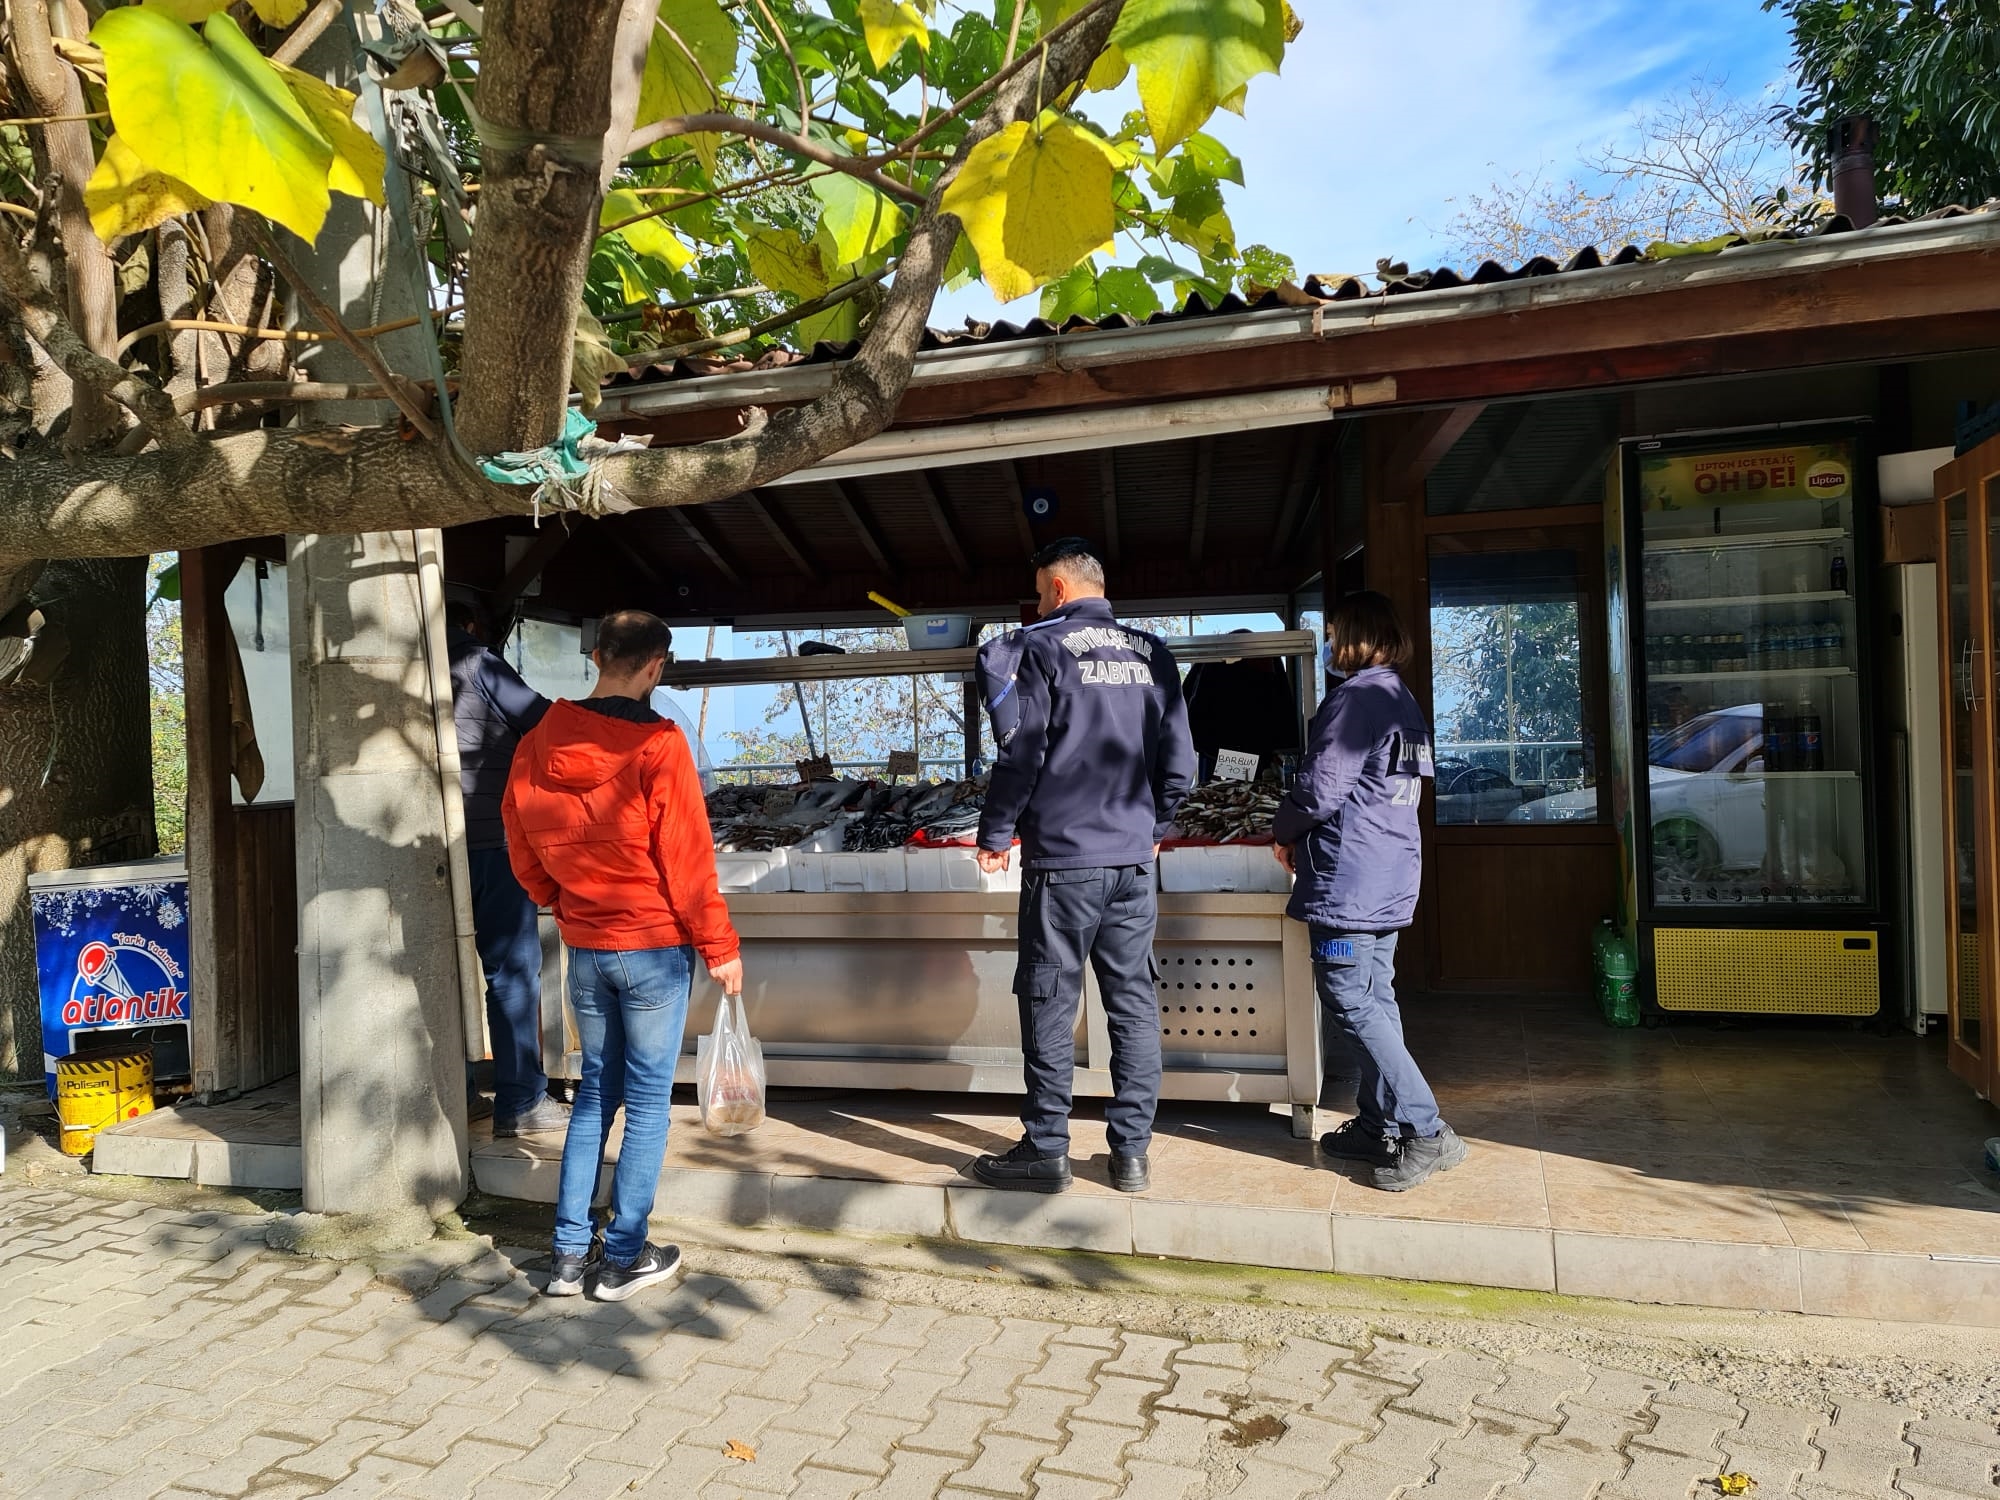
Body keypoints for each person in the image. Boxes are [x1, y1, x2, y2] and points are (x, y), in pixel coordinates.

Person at [502, 610, 743, 1302]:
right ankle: (625, 1256)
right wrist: (720, 946)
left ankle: (568, 1257)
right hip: (654, 951)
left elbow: (521, 844)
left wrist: (562, 898)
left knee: (592, 1101)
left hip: (587, 948)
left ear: (598, 655)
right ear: (654, 666)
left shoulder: (538, 741)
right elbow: (689, 861)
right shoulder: (659, 744)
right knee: (645, 1105)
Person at [970, 538, 1195, 1195]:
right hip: (1131, 864)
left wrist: (996, 831)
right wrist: (1153, 826)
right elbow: (1181, 760)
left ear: (1059, 590)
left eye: (1040, 592)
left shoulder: (1039, 650)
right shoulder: (1154, 653)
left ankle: (1046, 1149)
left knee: (1048, 1000)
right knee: (1132, 1004)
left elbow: (1022, 753)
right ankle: (1131, 1154)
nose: (1038, 603)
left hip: (1063, 863)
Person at [1272, 592, 1464, 1192]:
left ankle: (1427, 1130)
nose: (1329, 645)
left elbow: (1322, 789)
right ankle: (1379, 1122)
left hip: (1348, 881)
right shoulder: (1400, 699)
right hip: (1388, 874)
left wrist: (1283, 831)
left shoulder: (1354, 701)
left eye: (1333, 634)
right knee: (1375, 999)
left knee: (1351, 999)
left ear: (1356, 636)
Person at [445, 596, 565, 1136]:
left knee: (439, 979)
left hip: (422, 852)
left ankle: (459, 1093)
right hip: (491, 843)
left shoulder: (399, 671)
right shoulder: (478, 663)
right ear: (469, 624)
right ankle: (520, 1101)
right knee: (511, 975)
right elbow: (545, 724)